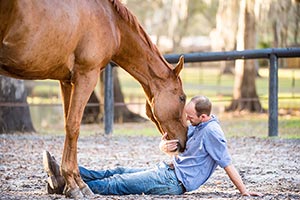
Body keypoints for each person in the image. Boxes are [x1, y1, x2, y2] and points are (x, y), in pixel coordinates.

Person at [43, 95, 262, 196]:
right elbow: (178, 149)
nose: (185, 120)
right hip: (166, 169)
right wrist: (164, 146)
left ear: (204, 116)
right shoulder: (198, 126)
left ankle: (64, 187)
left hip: (174, 182)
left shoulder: (213, 133)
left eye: (190, 116)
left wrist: (244, 192)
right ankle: (67, 172)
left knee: (117, 183)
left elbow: (227, 164)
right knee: (116, 170)